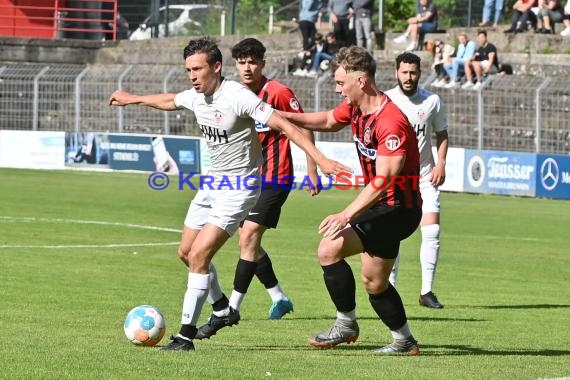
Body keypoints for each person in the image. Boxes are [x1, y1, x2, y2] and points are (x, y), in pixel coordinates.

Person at [108, 37, 347, 352]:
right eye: (188, 70)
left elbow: (286, 126)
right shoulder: (197, 96)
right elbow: (170, 100)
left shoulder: (238, 97)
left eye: (198, 69)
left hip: (240, 189)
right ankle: (221, 307)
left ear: (216, 67)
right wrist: (133, 99)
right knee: (185, 252)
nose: (192, 76)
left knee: (199, 256)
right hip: (213, 184)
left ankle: (184, 337)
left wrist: (320, 159)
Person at [280, 46, 422, 354]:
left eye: (341, 82)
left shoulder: (390, 121)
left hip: (397, 209)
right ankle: (405, 341)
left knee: (329, 248)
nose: (337, 88)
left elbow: (383, 181)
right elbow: (327, 120)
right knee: (375, 283)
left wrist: (345, 214)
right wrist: (282, 116)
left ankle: (345, 324)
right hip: (382, 208)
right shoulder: (356, 109)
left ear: (361, 80)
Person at [193, 38, 321, 340]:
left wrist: (313, 170)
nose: (247, 67)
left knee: (248, 235)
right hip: (244, 179)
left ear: (262, 63)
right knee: (248, 242)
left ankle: (230, 309)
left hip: (276, 177)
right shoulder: (230, 94)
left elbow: (301, 127)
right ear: (234, 65)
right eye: (242, 62)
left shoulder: (278, 92)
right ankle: (278, 296)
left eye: (253, 62)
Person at [385, 52, 449, 309]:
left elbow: (442, 135)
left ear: (419, 73)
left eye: (413, 72)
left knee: (432, 230)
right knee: (392, 234)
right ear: (396, 73)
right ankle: (388, 287)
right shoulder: (387, 100)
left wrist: (441, 164)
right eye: (404, 72)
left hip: (424, 175)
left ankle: (427, 292)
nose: (408, 77)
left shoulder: (432, 101)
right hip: (396, 179)